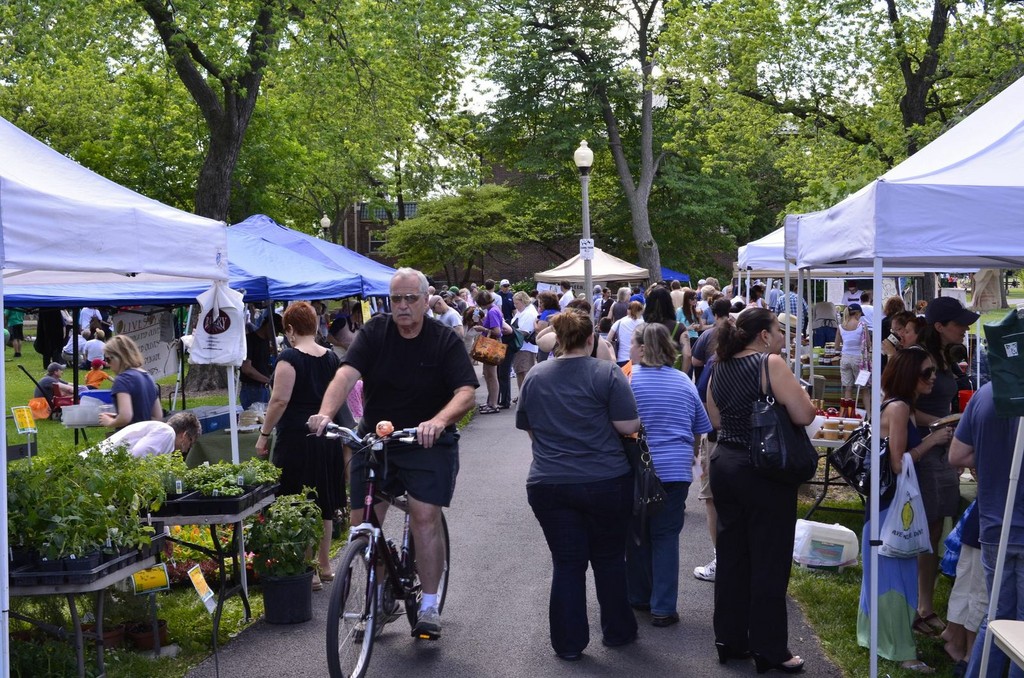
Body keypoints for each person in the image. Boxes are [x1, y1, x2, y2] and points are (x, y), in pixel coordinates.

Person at [309, 267, 478, 640]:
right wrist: (325, 413)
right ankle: (379, 599)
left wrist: (437, 421)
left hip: (425, 440)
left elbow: (466, 392)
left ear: (424, 299)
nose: (402, 306)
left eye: (410, 299)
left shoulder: (442, 340)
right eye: (396, 299)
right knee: (362, 524)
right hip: (377, 438)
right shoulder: (375, 332)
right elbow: (346, 374)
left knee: (423, 516)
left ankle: (430, 604)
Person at [515, 308, 640, 661]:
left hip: (549, 481)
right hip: (605, 478)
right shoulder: (608, 373)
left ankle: (569, 643)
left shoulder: (536, 376)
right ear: (591, 339)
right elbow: (628, 425)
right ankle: (618, 631)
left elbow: (529, 425)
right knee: (609, 558)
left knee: (567, 563)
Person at [705, 307, 815, 673]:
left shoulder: (719, 365)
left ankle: (731, 639)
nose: (783, 336)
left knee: (733, 554)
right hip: (763, 469)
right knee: (769, 559)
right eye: (779, 330)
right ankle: (770, 648)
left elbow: (715, 418)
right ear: (765, 336)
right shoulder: (771, 364)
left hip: (726, 463)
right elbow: (804, 415)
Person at [856, 347, 951, 674]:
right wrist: (933, 440)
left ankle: (877, 637)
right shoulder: (898, 409)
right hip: (889, 509)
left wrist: (942, 423)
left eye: (934, 372)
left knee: (888, 576)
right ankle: (901, 651)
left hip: (885, 507)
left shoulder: (903, 406)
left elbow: (926, 420)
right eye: (927, 373)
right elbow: (898, 463)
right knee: (895, 577)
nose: (933, 378)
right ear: (910, 375)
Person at [256, 302, 350, 591]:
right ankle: (325, 565)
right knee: (323, 501)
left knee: (298, 501)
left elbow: (280, 400)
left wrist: (263, 433)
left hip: (298, 438)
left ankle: (307, 569)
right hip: (327, 437)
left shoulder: (289, 357)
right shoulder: (331, 358)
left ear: (291, 329)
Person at [627, 323, 712, 626]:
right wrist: (692, 463)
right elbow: (700, 429)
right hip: (676, 469)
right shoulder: (684, 382)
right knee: (665, 537)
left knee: (636, 533)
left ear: (640, 347)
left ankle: (638, 596)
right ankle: (663, 607)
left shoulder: (628, 378)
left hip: (637, 469)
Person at [913, 296, 979, 636]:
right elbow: (900, 406)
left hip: (943, 448)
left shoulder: (943, 356)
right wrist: (941, 423)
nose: (965, 328)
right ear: (939, 326)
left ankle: (924, 604)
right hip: (927, 450)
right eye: (959, 323)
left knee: (935, 529)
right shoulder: (921, 358)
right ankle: (918, 604)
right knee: (925, 530)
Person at [950, 381, 1024, 678]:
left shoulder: (986, 393)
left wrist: (994, 464)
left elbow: (957, 455)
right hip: (1004, 523)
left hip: (994, 523)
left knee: (996, 617)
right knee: (1018, 629)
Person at [689, 297, 734, 582]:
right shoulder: (765, 365)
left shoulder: (714, 365)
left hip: (719, 440)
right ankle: (736, 558)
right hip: (747, 444)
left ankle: (722, 559)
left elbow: (705, 405)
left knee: (714, 499)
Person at [98, 335, 162, 429]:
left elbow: (126, 416)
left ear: (119, 357)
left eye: (108, 359)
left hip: (128, 438)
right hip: (147, 437)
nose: (107, 364)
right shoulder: (148, 377)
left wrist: (110, 422)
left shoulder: (122, 380)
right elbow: (157, 416)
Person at [96, 411, 201, 459]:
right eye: (190, 443)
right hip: (93, 469)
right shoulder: (167, 432)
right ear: (185, 435)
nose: (186, 450)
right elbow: (137, 457)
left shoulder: (160, 430)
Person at [240, 309, 280, 409]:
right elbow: (247, 369)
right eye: (276, 331)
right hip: (252, 389)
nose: (276, 335)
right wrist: (268, 380)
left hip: (263, 388)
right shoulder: (250, 340)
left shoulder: (266, 342)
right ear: (269, 326)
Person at [473, 289, 503, 414]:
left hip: (492, 345)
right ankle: (491, 402)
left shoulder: (492, 312)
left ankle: (493, 403)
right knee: (488, 374)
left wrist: (482, 328)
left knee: (491, 375)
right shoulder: (493, 309)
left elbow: (497, 331)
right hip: (492, 344)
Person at [835, 303, 870, 403]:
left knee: (848, 389)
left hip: (845, 358)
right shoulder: (862, 326)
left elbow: (836, 347)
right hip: (858, 359)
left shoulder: (841, 326)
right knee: (864, 388)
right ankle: (869, 414)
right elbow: (868, 344)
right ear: (857, 313)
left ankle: (848, 414)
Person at [511, 291, 539, 391]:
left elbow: (525, 331)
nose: (515, 305)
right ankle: (522, 395)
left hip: (525, 347)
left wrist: (510, 330)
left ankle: (525, 396)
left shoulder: (529, 313)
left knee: (524, 372)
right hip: (520, 347)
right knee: (520, 372)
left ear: (523, 301)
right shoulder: (522, 311)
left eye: (516, 303)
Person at [608, 301, 645, 367]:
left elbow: (608, 339)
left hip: (621, 359)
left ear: (628, 310)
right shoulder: (643, 324)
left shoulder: (619, 322)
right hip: (639, 359)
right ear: (640, 311)